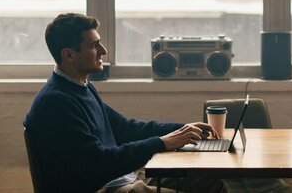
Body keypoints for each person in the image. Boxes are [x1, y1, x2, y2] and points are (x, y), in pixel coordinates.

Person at [24, 13, 225, 193]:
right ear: (68, 54)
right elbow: (98, 162)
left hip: (118, 179)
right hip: (101, 187)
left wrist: (184, 129)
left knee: (209, 182)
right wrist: (163, 143)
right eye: (94, 46)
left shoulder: (80, 87)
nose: (103, 50)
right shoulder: (56, 103)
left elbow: (127, 128)